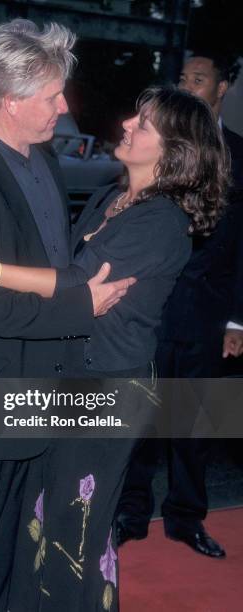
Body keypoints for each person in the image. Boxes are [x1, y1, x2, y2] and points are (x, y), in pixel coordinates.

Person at [0, 85, 229, 611]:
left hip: (106, 390)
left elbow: (74, 281)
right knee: (38, 516)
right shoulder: (112, 199)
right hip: (70, 379)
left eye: (144, 124)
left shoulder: (159, 222)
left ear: (173, 152)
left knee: (73, 533)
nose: (127, 125)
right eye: (135, 116)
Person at [0, 19, 135, 612]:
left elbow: (46, 260)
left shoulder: (43, 159)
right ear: (10, 102)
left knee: (9, 554)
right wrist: (79, 307)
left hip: (34, 395)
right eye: (51, 97)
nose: (64, 107)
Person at [116, 52, 243, 559]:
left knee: (194, 424)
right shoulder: (157, 145)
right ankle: (130, 511)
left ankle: (187, 518)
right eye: (183, 77)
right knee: (140, 417)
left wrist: (238, 319)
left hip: (207, 313)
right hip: (153, 305)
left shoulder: (239, 153)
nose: (188, 85)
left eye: (199, 78)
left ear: (223, 89)